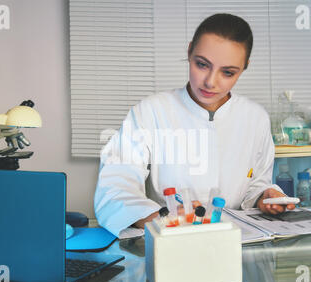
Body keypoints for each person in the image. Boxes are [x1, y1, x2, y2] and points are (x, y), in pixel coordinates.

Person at [94, 13, 295, 237]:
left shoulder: (255, 117)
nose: (210, 81)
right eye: (202, 64)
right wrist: (164, 217)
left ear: (244, 67)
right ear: (189, 51)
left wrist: (264, 196)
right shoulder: (151, 112)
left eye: (228, 72)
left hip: (235, 242)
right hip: (171, 241)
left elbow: (255, 183)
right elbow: (114, 188)